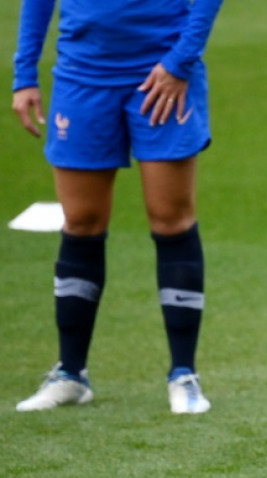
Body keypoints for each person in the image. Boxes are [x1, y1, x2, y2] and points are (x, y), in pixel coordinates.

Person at [10, 0, 224, 414]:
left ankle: (183, 374)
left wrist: (182, 60)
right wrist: (24, 74)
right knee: (82, 221)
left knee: (170, 219)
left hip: (163, 71)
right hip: (81, 76)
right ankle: (70, 374)